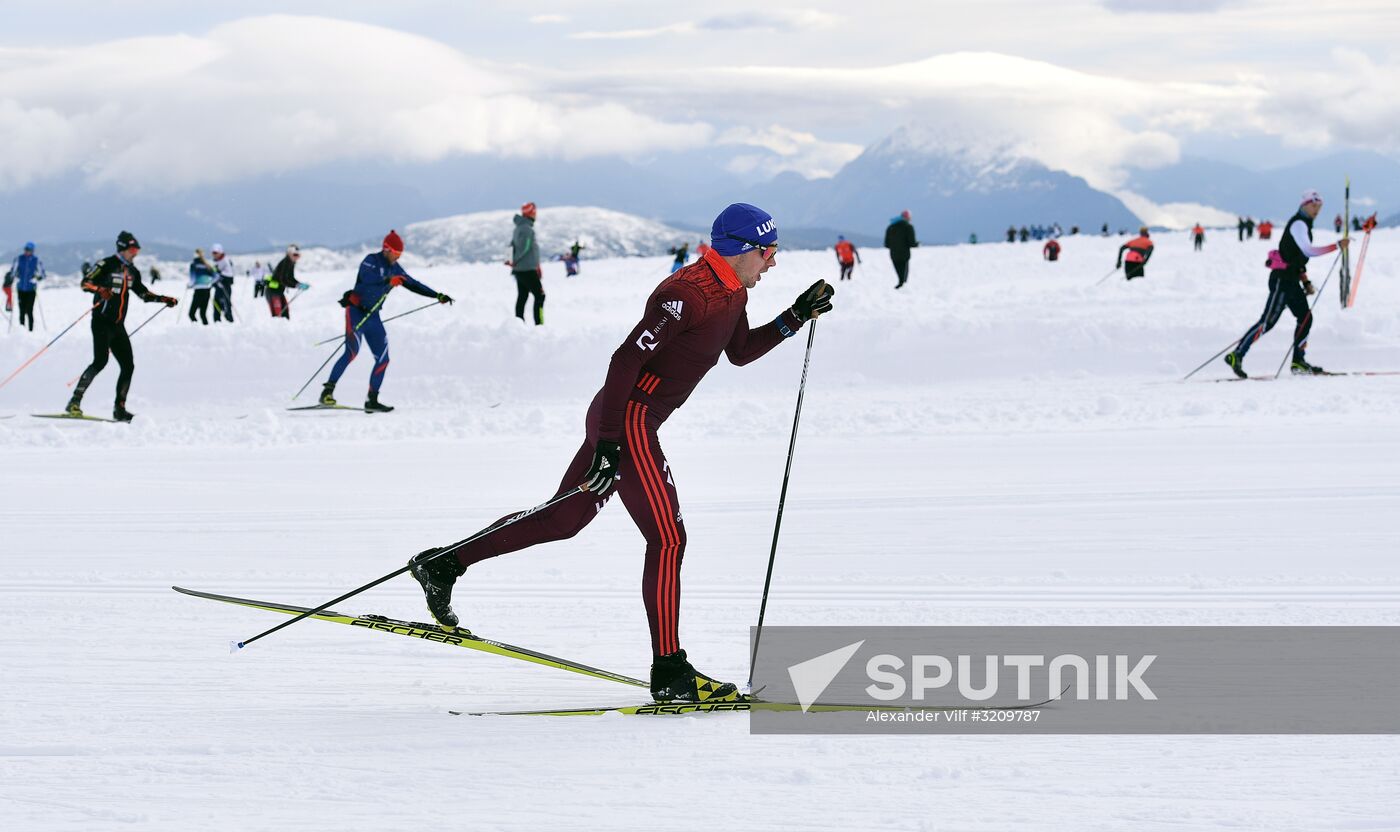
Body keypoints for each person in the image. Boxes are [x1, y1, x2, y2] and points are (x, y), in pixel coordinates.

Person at [408, 203, 834, 704]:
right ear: (744, 250)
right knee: (669, 538)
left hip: (623, 421)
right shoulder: (686, 294)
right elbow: (625, 357)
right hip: (627, 419)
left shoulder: (733, 293)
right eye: (769, 253)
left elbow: (738, 352)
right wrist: (611, 441)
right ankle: (671, 669)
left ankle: (443, 564)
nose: (773, 264)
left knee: (562, 519)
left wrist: (795, 317)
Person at [319, 230, 453, 413]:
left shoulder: (395, 268)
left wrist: (437, 295)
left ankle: (372, 400)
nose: (397, 257)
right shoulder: (371, 260)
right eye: (396, 254)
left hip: (373, 316)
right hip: (356, 312)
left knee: (383, 358)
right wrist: (389, 280)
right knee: (351, 352)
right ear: (387, 249)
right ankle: (327, 392)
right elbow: (367, 279)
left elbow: (413, 284)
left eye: (400, 255)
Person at [1225, 190, 1347, 378]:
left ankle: (1298, 361)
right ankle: (1237, 354)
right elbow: (1309, 250)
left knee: (1305, 318)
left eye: (1320, 207)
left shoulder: (1305, 224)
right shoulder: (1298, 223)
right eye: (1314, 206)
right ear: (1305, 204)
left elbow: (1297, 259)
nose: (1317, 210)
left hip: (1291, 281)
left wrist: (1305, 282)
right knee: (1268, 322)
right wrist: (1336, 246)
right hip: (1282, 281)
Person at [66, 231, 177, 422]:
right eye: (133, 249)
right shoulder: (106, 264)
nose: (135, 253)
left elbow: (143, 294)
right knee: (100, 362)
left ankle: (120, 409)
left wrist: (163, 299)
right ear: (123, 249)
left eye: (137, 250)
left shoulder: (132, 272)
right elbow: (85, 283)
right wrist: (100, 289)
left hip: (118, 326)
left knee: (128, 365)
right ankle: (74, 402)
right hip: (101, 322)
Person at [507, 202, 544, 325]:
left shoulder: (519, 228)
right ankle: (540, 325)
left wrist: (512, 260)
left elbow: (512, 246)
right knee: (540, 296)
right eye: (535, 212)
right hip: (526, 269)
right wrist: (514, 261)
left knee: (523, 296)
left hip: (521, 269)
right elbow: (525, 247)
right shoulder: (526, 229)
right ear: (531, 213)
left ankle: (518, 324)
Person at [8, 242, 45, 331]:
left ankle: (30, 330)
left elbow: (42, 274)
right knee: (21, 311)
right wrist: (14, 277)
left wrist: (36, 278)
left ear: (32, 251)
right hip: (21, 288)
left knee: (29, 310)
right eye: (26, 249)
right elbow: (13, 271)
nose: (27, 251)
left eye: (29, 250)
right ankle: (22, 330)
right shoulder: (18, 259)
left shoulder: (36, 260)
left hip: (31, 289)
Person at [266, 244, 308, 318]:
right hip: (272, 292)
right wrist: (296, 285)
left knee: (285, 314)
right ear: (289, 254)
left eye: (298, 255)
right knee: (277, 315)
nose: (296, 257)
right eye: (295, 255)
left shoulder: (291, 263)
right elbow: (283, 280)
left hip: (279, 291)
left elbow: (291, 278)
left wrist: (299, 284)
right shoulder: (285, 262)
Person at [884, 210, 918, 289]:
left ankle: (900, 285)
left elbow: (887, 244)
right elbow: (912, 243)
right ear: (907, 218)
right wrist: (917, 244)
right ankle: (902, 287)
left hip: (894, 255)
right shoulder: (909, 227)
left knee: (899, 273)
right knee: (903, 275)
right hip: (904, 255)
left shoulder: (890, 227)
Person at [187, 249, 217, 325]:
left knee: (191, 314)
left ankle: (197, 330)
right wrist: (209, 283)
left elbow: (192, 279)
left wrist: (189, 285)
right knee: (203, 314)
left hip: (199, 291)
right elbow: (216, 276)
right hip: (207, 290)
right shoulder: (207, 265)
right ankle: (206, 331)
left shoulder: (194, 265)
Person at [211, 243, 236, 323]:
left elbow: (230, 275)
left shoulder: (225, 260)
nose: (214, 255)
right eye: (213, 253)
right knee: (216, 304)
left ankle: (230, 321)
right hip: (218, 287)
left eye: (216, 253)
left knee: (226, 305)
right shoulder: (217, 261)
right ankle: (217, 321)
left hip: (225, 287)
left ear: (220, 252)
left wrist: (220, 275)